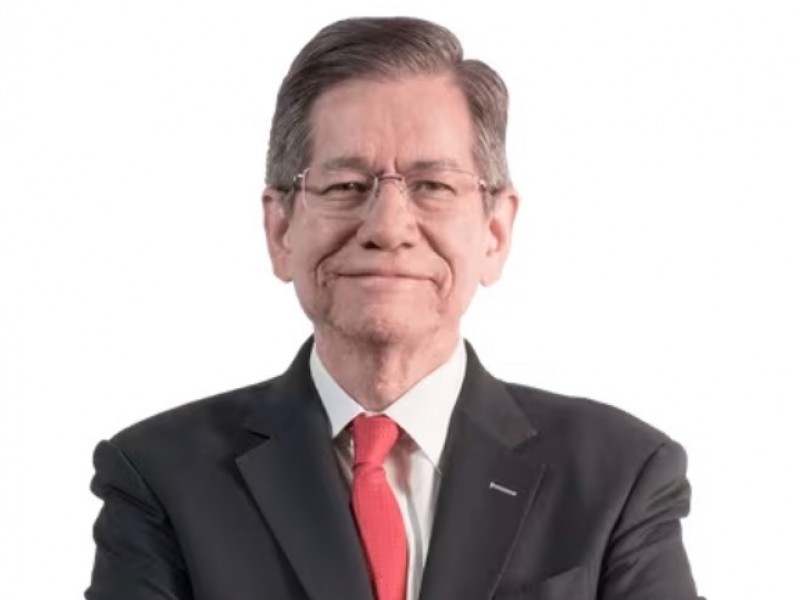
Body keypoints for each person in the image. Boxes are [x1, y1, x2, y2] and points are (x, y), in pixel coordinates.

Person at [86, 16, 703, 600]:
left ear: (495, 232)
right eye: (345, 186)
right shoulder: (159, 478)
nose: (387, 227)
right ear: (280, 230)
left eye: (432, 186)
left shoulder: (620, 478)